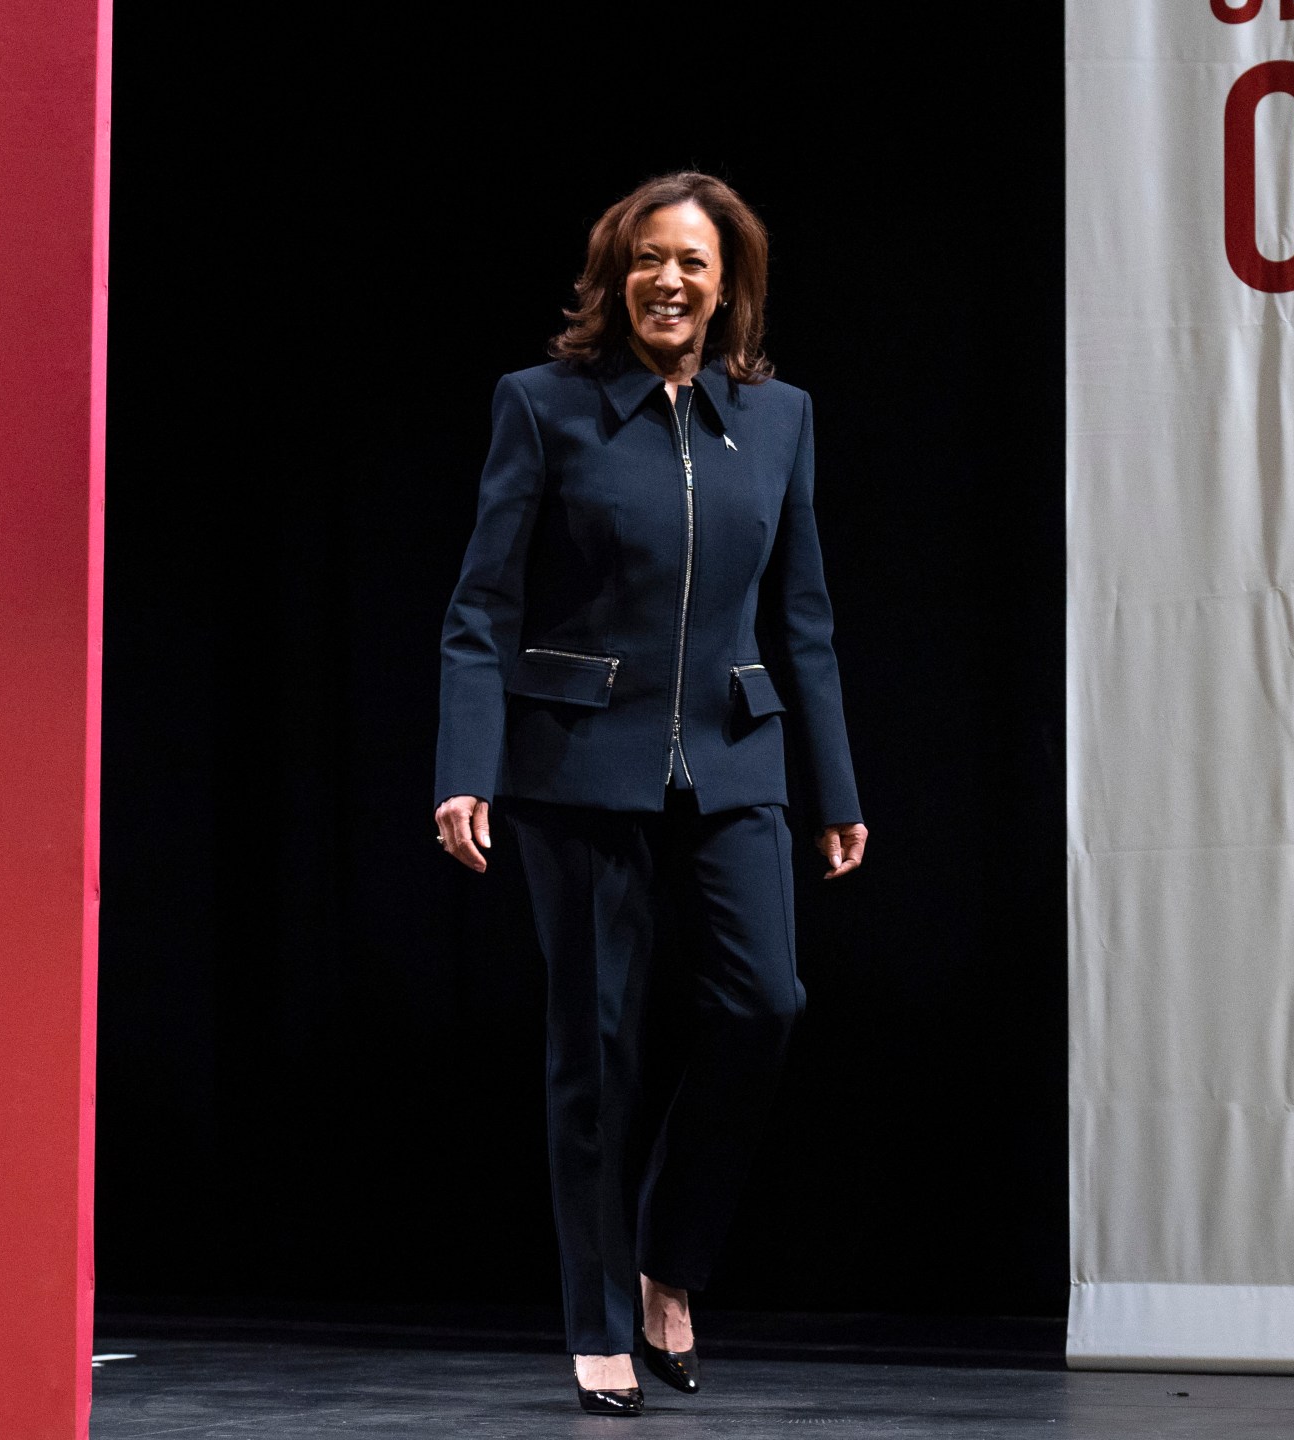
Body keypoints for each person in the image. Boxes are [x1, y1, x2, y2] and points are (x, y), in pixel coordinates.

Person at [433, 171, 867, 1416]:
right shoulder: (543, 407)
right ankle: (597, 1324)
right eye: (646, 259)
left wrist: (832, 784)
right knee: (599, 1047)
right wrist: (467, 769)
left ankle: (669, 1262)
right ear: (613, 276)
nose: (669, 280)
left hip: (734, 755)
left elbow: (805, 617)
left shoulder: (775, 417)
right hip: (576, 764)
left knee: (765, 1003)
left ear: (728, 281)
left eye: (694, 261)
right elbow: (481, 608)